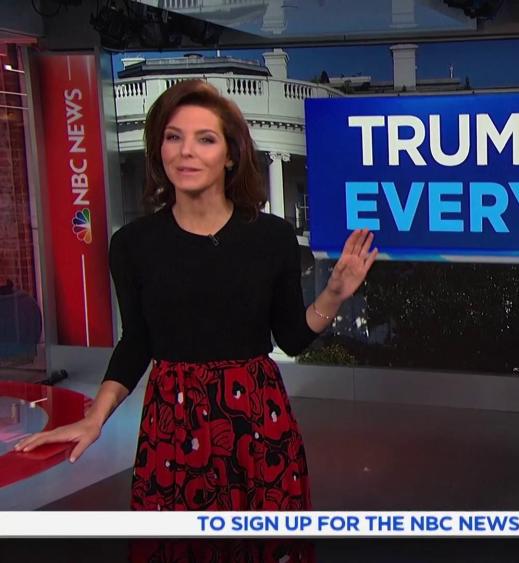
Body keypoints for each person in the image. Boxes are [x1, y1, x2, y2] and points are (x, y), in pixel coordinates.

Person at [14, 79, 377, 559]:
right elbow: (136, 342)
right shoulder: (133, 245)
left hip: (258, 423)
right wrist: (94, 419)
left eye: (205, 138)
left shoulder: (270, 237)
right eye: (173, 136)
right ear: (159, 149)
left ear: (230, 155)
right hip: (172, 425)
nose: (185, 151)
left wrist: (333, 294)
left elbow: (291, 337)